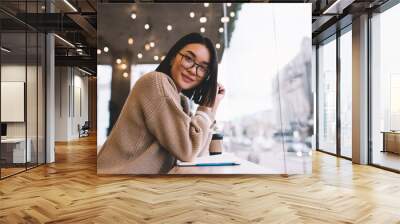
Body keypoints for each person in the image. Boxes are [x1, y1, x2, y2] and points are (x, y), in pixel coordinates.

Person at [97, 33, 225, 174]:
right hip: (118, 183)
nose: (193, 70)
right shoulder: (156, 82)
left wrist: (213, 105)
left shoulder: (181, 102)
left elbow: (197, 153)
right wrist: (205, 108)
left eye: (202, 68)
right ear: (172, 58)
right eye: (189, 58)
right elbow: (187, 151)